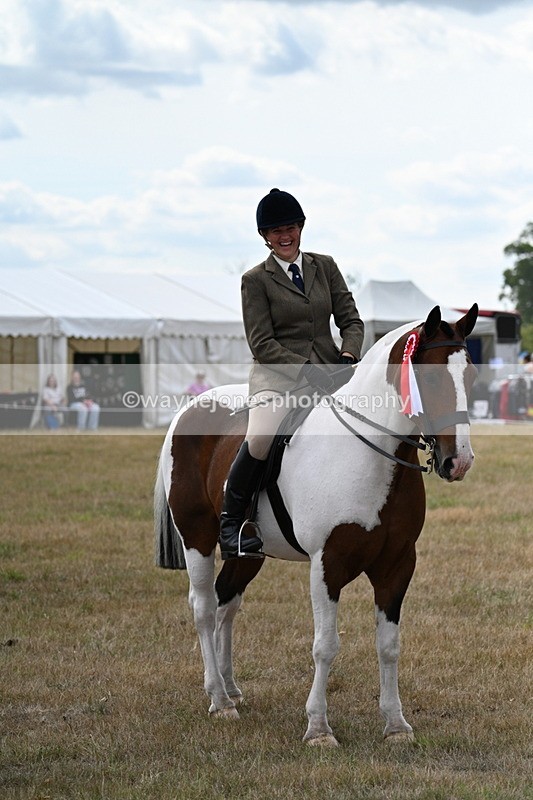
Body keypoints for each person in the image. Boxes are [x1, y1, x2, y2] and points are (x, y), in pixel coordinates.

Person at [219, 188, 365, 560]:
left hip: (333, 371)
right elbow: (261, 343)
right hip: (278, 377)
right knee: (262, 437)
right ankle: (233, 522)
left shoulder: (325, 266)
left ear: (300, 228)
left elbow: (350, 319)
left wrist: (347, 355)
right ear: (264, 237)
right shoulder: (255, 280)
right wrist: (305, 370)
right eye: (275, 231)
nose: (284, 236)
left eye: (289, 227)